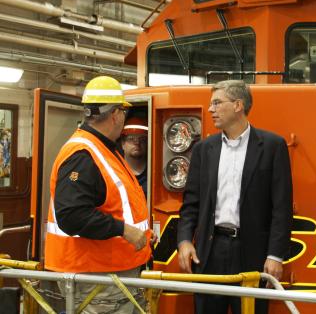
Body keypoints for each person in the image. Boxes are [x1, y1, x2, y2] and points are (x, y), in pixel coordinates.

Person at [177, 80, 293, 314]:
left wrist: (275, 255)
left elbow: (281, 208)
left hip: (253, 253)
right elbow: (191, 203)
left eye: (217, 103)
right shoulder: (203, 149)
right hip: (210, 253)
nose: (211, 110)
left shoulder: (272, 146)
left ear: (238, 105)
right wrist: (185, 240)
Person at [44, 76, 152, 314]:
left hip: (109, 274)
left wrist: (142, 235)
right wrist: (125, 231)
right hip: (96, 278)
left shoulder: (104, 149)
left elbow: (115, 205)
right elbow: (71, 215)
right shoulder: (83, 154)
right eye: (123, 112)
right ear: (115, 114)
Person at [121, 117, 148, 196]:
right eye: (131, 139)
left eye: (142, 139)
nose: (137, 143)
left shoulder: (154, 172)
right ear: (123, 144)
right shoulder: (115, 171)